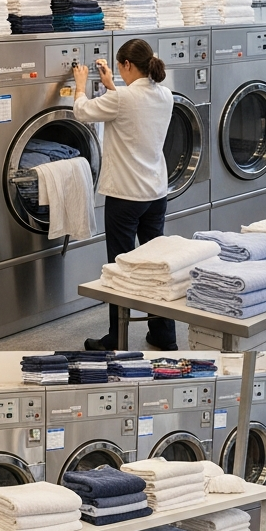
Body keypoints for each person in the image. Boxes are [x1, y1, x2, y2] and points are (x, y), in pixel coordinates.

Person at [72, 38, 175, 351]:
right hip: (156, 194)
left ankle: (116, 339)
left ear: (128, 65)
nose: (119, 72)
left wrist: (79, 84)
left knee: (120, 266)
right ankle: (163, 333)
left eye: (120, 68)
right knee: (156, 265)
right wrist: (112, 85)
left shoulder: (123, 99)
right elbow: (132, 110)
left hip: (125, 197)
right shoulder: (165, 94)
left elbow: (82, 112)